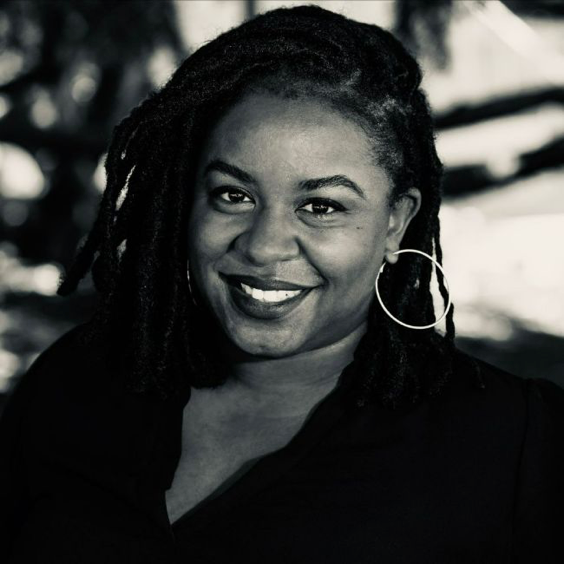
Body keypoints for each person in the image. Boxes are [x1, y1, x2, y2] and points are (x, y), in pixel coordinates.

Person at [1, 5, 563, 563]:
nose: (265, 246)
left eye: (321, 206)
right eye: (233, 195)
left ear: (396, 222)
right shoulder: (82, 380)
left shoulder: (510, 448)